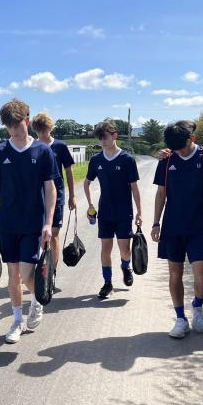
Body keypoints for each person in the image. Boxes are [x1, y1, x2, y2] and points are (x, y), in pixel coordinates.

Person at [0, 99, 57, 344]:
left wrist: (48, 222)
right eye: (9, 126)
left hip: (33, 222)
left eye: (18, 124)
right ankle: (16, 321)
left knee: (26, 272)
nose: (14, 130)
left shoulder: (43, 151)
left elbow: (50, 188)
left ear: (27, 119)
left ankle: (37, 300)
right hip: (7, 224)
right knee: (13, 274)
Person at [151, 121, 203, 338]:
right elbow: (161, 193)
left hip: (199, 226)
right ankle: (180, 319)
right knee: (175, 273)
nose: (178, 151)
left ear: (193, 139)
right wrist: (155, 222)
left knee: (202, 274)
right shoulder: (166, 159)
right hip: (172, 227)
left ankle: (197, 307)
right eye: (174, 148)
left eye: (182, 146)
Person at [84, 120, 142, 299]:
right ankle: (107, 283)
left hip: (124, 212)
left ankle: (125, 267)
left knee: (125, 249)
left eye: (105, 137)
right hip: (105, 212)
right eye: (99, 138)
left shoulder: (127, 159)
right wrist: (90, 205)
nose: (102, 141)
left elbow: (134, 187)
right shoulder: (96, 160)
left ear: (115, 136)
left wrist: (140, 212)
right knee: (105, 248)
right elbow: (86, 183)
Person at [32, 113, 75, 293]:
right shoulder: (32, 147)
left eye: (45, 129)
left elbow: (69, 171)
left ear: (50, 128)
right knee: (37, 234)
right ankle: (38, 267)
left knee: (54, 233)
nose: (42, 133)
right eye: (39, 130)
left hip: (56, 196)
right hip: (36, 196)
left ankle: (51, 273)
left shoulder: (60, 146)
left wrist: (72, 195)